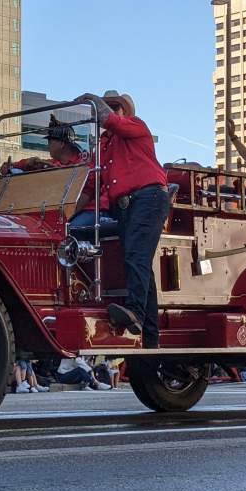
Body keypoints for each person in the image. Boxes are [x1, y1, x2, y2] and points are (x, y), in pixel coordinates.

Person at [74, 90, 169, 344]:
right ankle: (151, 337)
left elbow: (111, 121)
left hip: (147, 198)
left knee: (136, 258)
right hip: (127, 206)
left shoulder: (136, 127)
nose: (110, 110)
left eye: (115, 106)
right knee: (141, 265)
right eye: (108, 106)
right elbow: (91, 185)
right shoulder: (103, 147)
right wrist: (66, 216)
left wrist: (94, 100)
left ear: (125, 111)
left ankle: (136, 313)